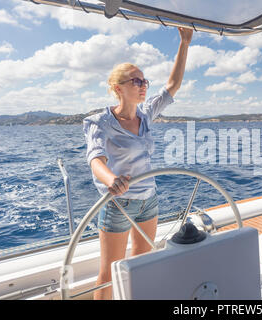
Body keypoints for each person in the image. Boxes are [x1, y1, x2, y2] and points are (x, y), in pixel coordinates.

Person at [83, 27, 193, 300]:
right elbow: (96, 159)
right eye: (137, 81)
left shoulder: (145, 115)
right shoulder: (99, 122)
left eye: (145, 81)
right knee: (109, 273)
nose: (143, 86)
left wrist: (185, 42)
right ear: (118, 88)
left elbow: (172, 87)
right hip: (118, 203)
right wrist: (112, 180)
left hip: (148, 200)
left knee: (141, 265)